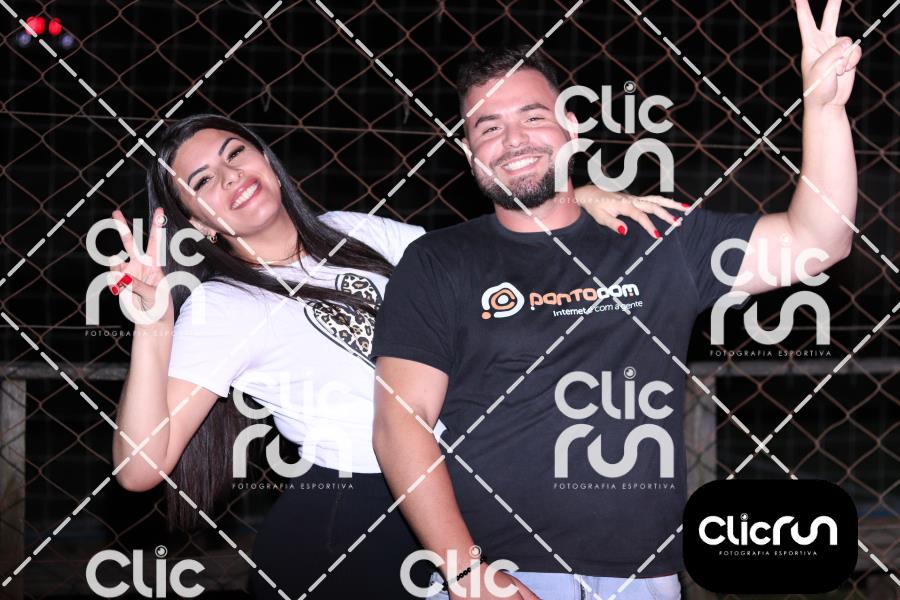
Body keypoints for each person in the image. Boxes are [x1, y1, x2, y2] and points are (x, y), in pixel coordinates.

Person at [370, 1, 860, 598]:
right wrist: (466, 570)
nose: (513, 140)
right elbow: (401, 421)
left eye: (533, 117)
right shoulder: (438, 261)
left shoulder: (656, 237)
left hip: (646, 578)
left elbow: (818, 241)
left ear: (573, 128)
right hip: (505, 574)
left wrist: (825, 109)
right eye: (488, 127)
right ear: (470, 151)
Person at [108, 114, 681, 598]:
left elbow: (488, 259)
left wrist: (573, 199)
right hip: (351, 521)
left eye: (236, 153)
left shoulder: (352, 232)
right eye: (204, 180)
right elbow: (139, 469)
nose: (231, 175)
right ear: (198, 222)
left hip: (449, 495)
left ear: (267, 161)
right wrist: (154, 328)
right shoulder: (223, 304)